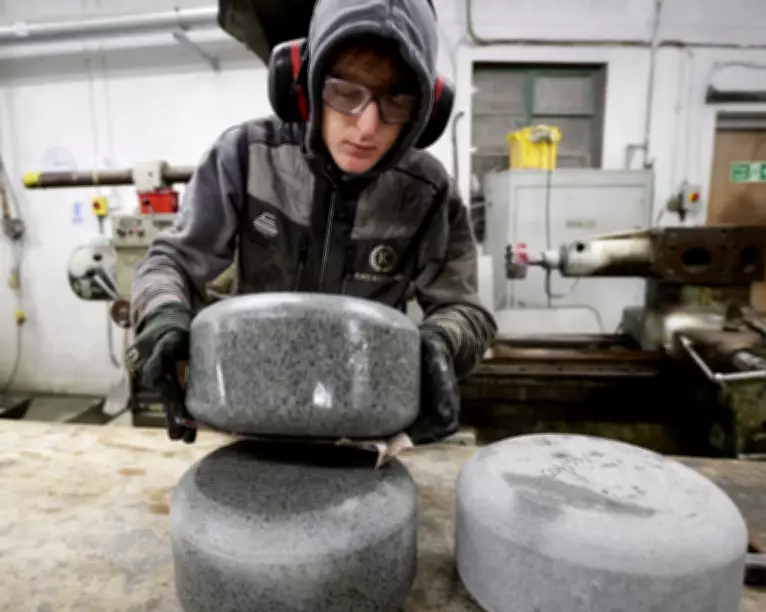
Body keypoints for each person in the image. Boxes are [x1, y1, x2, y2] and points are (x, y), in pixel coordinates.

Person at [125, 0, 497, 445]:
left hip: (364, 417)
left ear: (425, 110)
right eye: (345, 92)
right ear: (305, 81)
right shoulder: (246, 157)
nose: (367, 126)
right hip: (249, 408)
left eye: (397, 99)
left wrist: (442, 341)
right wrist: (164, 314)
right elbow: (170, 261)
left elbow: (466, 311)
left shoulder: (428, 193)